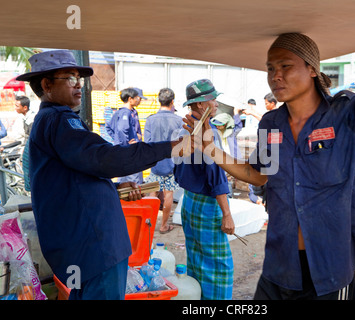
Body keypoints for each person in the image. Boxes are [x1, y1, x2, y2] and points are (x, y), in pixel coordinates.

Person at [185, 5, 355, 300]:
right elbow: (258, 175)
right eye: (271, 68)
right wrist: (209, 147)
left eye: (285, 66)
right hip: (279, 267)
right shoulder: (272, 124)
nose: (276, 76)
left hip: (328, 270)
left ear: (312, 69)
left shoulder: (344, 114)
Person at [16, 49, 193, 300]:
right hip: (93, 249)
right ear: (46, 85)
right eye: (69, 78)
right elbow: (104, 158)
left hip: (80, 247)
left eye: (79, 78)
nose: (79, 85)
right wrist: (171, 147)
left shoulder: (51, 121)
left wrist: (112, 189)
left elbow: (77, 177)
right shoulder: (58, 120)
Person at [174, 79, 235, 300]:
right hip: (207, 205)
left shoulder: (182, 128)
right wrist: (226, 214)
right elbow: (216, 176)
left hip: (189, 202)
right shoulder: (206, 132)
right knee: (219, 266)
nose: (216, 103)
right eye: (213, 99)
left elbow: (177, 168)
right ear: (200, 104)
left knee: (198, 259)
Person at [144, 88, 184, 234]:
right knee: (169, 194)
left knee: (152, 193)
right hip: (172, 165)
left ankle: (148, 225)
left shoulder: (150, 119)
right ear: (172, 102)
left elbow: (146, 142)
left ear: (158, 100)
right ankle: (163, 226)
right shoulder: (179, 120)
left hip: (155, 164)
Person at [106, 87, 147, 184]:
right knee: (134, 183)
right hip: (129, 154)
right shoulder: (126, 113)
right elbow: (122, 129)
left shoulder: (121, 112)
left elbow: (109, 128)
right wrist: (126, 144)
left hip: (124, 153)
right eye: (137, 98)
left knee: (124, 180)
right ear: (130, 99)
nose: (139, 101)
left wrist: (118, 140)